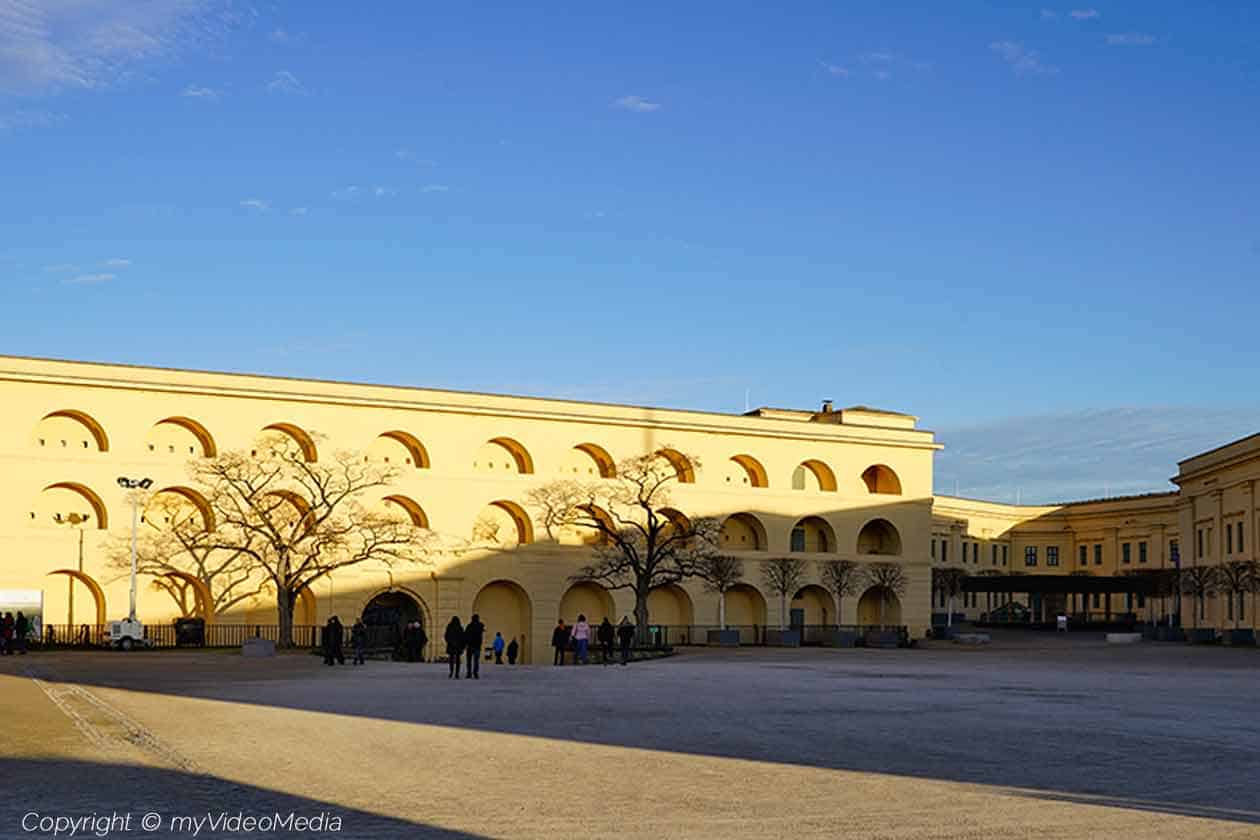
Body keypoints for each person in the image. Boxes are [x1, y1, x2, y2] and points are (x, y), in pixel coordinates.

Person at [464, 613, 486, 679]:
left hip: (470, 646)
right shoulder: (480, 626)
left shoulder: (469, 626)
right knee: (476, 661)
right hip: (477, 646)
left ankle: (469, 673)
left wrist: (466, 644)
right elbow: (481, 632)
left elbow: (466, 635)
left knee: (469, 661)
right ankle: (475, 673)